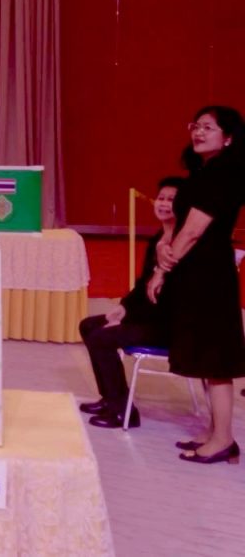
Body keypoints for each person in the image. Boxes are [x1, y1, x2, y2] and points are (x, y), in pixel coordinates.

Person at [147, 105, 245, 464]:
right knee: (205, 358)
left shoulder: (224, 173)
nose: (198, 132)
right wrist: (165, 248)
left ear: (229, 137)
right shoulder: (205, 171)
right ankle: (214, 431)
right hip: (196, 272)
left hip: (209, 275)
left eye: (208, 127)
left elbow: (192, 231)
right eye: (195, 126)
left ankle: (223, 439)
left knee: (215, 362)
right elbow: (180, 226)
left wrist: (161, 270)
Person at [78, 177, 184, 428]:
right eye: (161, 198)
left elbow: (167, 298)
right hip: (149, 317)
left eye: (171, 200)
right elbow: (143, 285)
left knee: (102, 338)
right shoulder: (158, 238)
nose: (164, 204)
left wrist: (129, 320)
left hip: (168, 325)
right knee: (89, 325)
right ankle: (109, 398)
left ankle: (123, 412)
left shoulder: (181, 244)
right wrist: (123, 308)